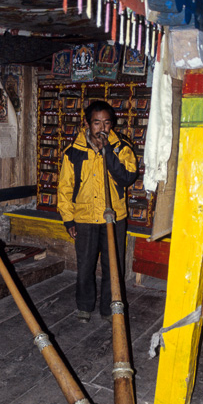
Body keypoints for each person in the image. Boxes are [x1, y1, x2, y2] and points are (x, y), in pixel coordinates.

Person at [57, 100, 137, 324]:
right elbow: (64, 188)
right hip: (84, 218)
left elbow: (127, 177)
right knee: (85, 265)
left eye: (106, 123)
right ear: (87, 123)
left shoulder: (122, 147)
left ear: (111, 125)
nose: (102, 129)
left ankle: (110, 307)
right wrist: (68, 219)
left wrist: (108, 152)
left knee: (113, 266)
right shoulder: (73, 152)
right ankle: (84, 306)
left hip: (114, 218)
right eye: (96, 123)